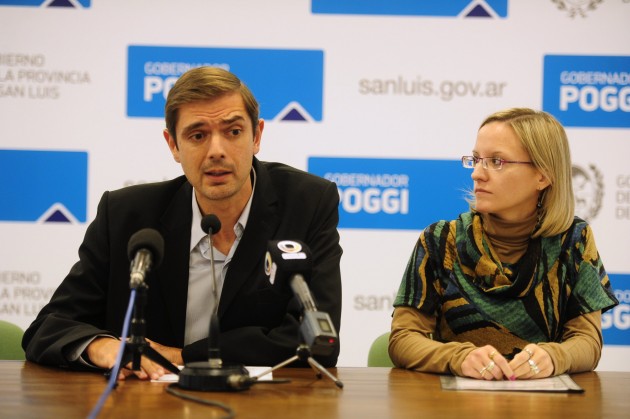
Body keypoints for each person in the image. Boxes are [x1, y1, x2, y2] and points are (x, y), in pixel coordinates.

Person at [22, 66, 343, 380]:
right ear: (173, 145)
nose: (216, 151)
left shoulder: (308, 203)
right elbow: (49, 328)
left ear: (257, 136)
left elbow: (319, 340)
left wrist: (182, 356)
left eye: (233, 131)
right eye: (198, 135)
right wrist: (101, 347)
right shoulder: (126, 216)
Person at [389, 108, 618, 380]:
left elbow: (587, 341)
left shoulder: (573, 240)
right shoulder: (441, 240)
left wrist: (555, 357)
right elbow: (402, 339)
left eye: (496, 161)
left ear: (542, 175)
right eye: (475, 160)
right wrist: (457, 358)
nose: (477, 174)